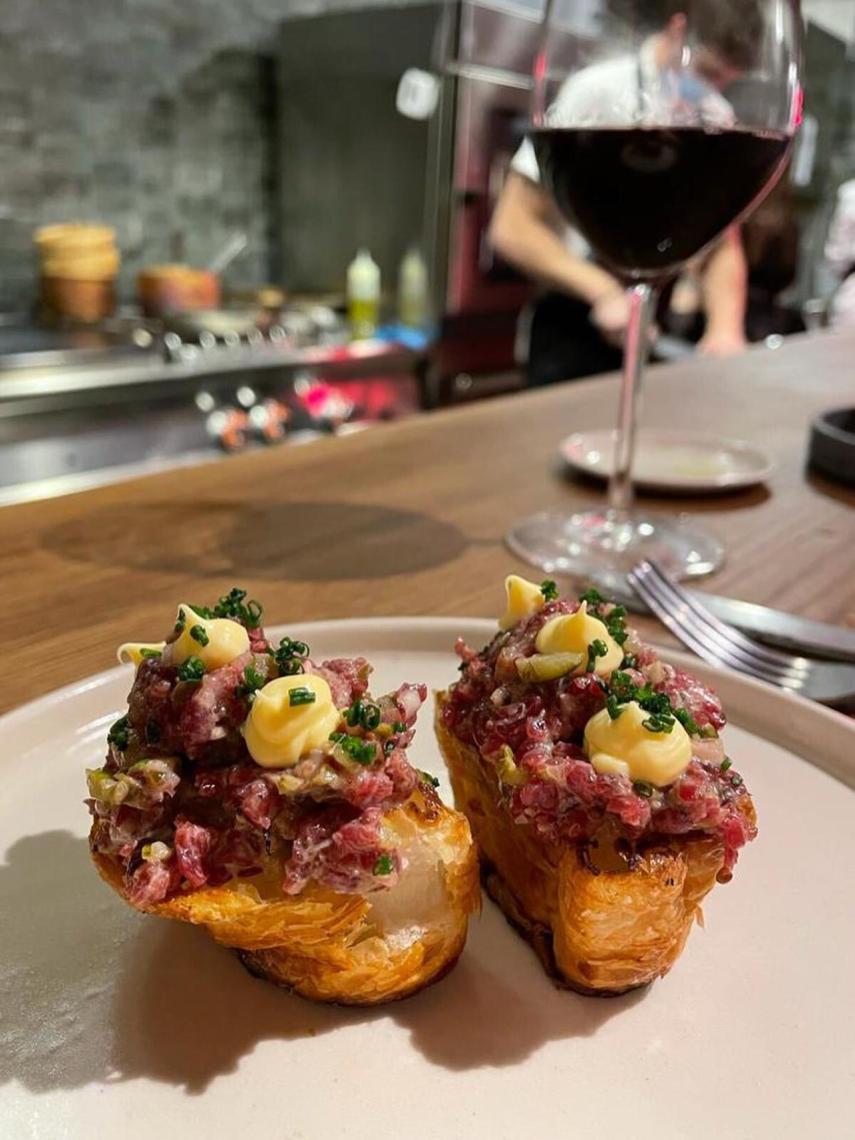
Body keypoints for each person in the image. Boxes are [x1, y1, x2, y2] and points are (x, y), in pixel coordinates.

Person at [490, 0, 764, 386]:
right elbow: (511, 228)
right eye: (707, 73)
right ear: (677, 31)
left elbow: (723, 242)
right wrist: (603, 291)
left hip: (655, 326)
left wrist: (725, 328)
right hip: (572, 322)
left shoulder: (714, 114)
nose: (712, 90)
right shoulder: (597, 91)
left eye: (724, 81)